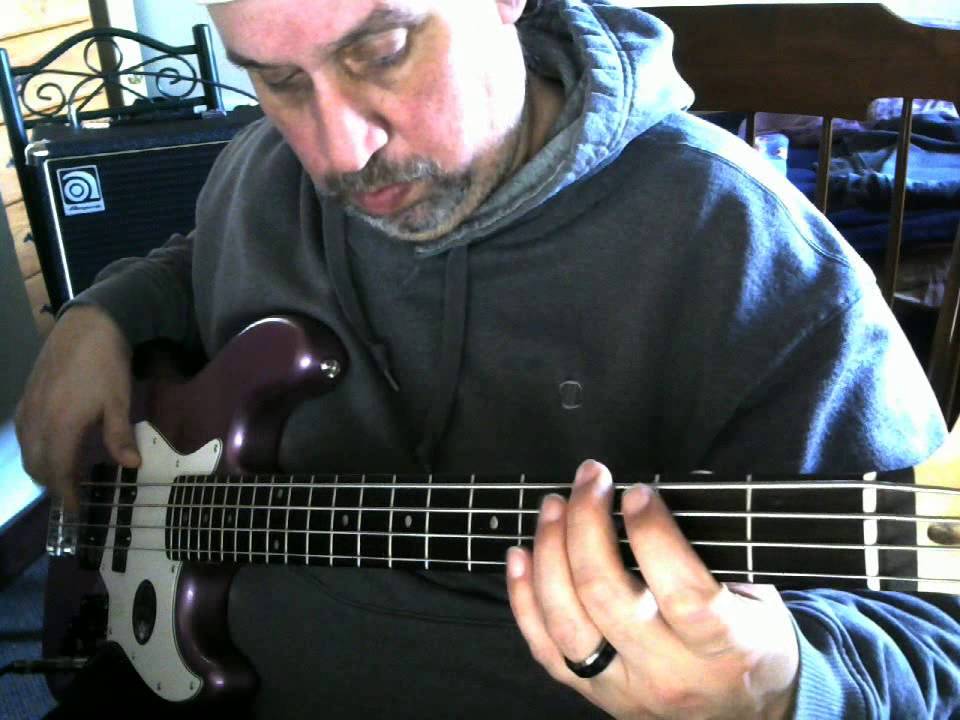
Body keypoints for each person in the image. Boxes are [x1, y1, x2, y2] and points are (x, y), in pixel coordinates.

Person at [15, 0, 960, 717]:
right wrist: (101, 315)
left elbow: (934, 641)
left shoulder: (751, 254)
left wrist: (784, 691)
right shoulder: (258, 171)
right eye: (279, 80)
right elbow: (201, 259)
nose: (339, 152)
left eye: (383, 49)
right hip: (182, 668)